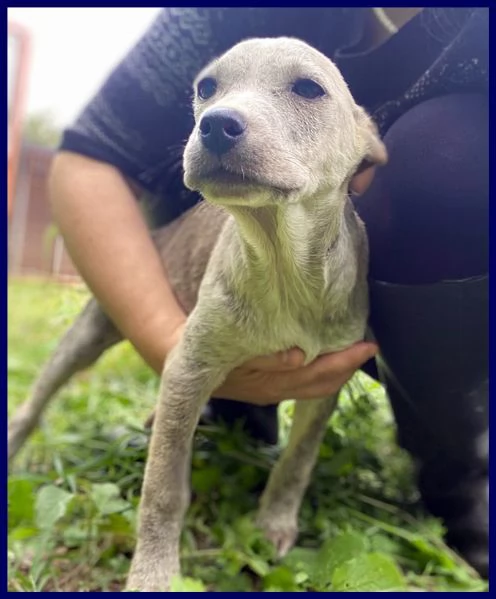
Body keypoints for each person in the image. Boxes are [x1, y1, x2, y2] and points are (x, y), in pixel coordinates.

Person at [48, 7, 488, 576]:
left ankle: (462, 463)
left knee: (449, 157)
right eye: (209, 91)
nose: (221, 113)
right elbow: (89, 157)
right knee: (83, 343)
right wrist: (172, 343)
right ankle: (38, 418)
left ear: (362, 143)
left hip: (411, 255)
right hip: (204, 262)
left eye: (305, 89)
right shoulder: (219, 13)